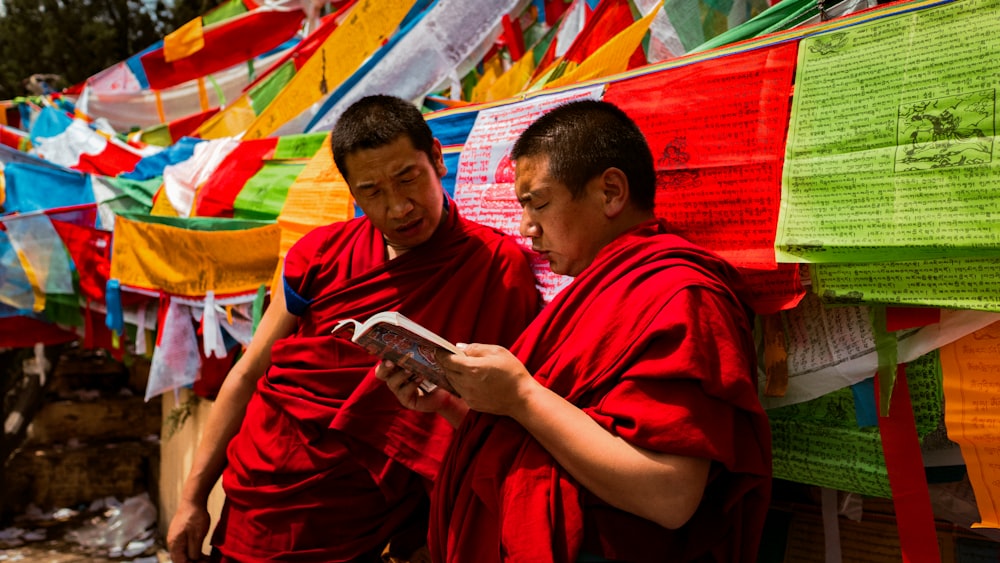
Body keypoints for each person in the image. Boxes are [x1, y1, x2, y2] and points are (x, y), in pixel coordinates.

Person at [378, 100, 772, 562]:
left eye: (538, 203)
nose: (527, 228)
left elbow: (671, 497)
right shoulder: (589, 294)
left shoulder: (680, 295)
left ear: (610, 192)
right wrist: (456, 404)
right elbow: (549, 443)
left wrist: (521, 396)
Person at [167, 94, 540, 563]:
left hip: (367, 512)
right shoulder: (319, 255)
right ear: (352, 193)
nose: (399, 206)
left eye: (409, 178)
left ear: (437, 160)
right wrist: (191, 499)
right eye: (373, 192)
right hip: (264, 487)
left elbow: (504, 412)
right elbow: (247, 374)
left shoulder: (495, 268)